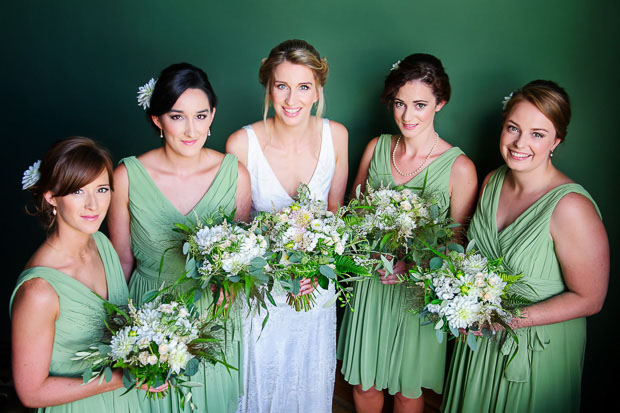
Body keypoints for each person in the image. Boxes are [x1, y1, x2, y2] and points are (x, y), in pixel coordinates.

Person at [441, 80, 609, 412]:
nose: (520, 143)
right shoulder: (491, 181)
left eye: (537, 134)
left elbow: (591, 299)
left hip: (535, 347)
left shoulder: (570, 207)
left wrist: (510, 318)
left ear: (556, 141)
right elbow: (468, 255)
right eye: (513, 128)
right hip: (481, 335)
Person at [337, 53, 478, 413]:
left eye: (419, 105)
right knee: (364, 382)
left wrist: (411, 268)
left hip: (416, 293)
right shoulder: (377, 148)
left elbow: (457, 243)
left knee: (407, 391)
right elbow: (353, 214)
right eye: (400, 104)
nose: (407, 115)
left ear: (440, 104)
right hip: (370, 283)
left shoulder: (459, 167)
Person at [107, 62, 251, 412]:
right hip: (149, 314)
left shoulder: (235, 174)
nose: (191, 130)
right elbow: (121, 261)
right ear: (157, 120)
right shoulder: (127, 175)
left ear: (212, 115)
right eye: (177, 116)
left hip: (213, 317)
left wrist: (230, 288)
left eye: (200, 116)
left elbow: (244, 260)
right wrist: (120, 334)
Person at [226, 39, 348, 413]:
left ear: (317, 91)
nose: (291, 99)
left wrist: (316, 269)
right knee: (260, 384)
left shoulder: (337, 136)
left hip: (316, 292)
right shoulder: (241, 144)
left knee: (307, 386)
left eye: (303, 87)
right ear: (268, 89)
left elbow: (335, 215)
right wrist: (280, 270)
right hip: (264, 296)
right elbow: (237, 237)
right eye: (281, 86)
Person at [10, 137, 143, 412]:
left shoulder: (102, 245)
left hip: (126, 402)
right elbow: (31, 393)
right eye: (78, 192)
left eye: (102, 189)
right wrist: (122, 378)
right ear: (51, 197)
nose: (94, 205)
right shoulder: (39, 291)